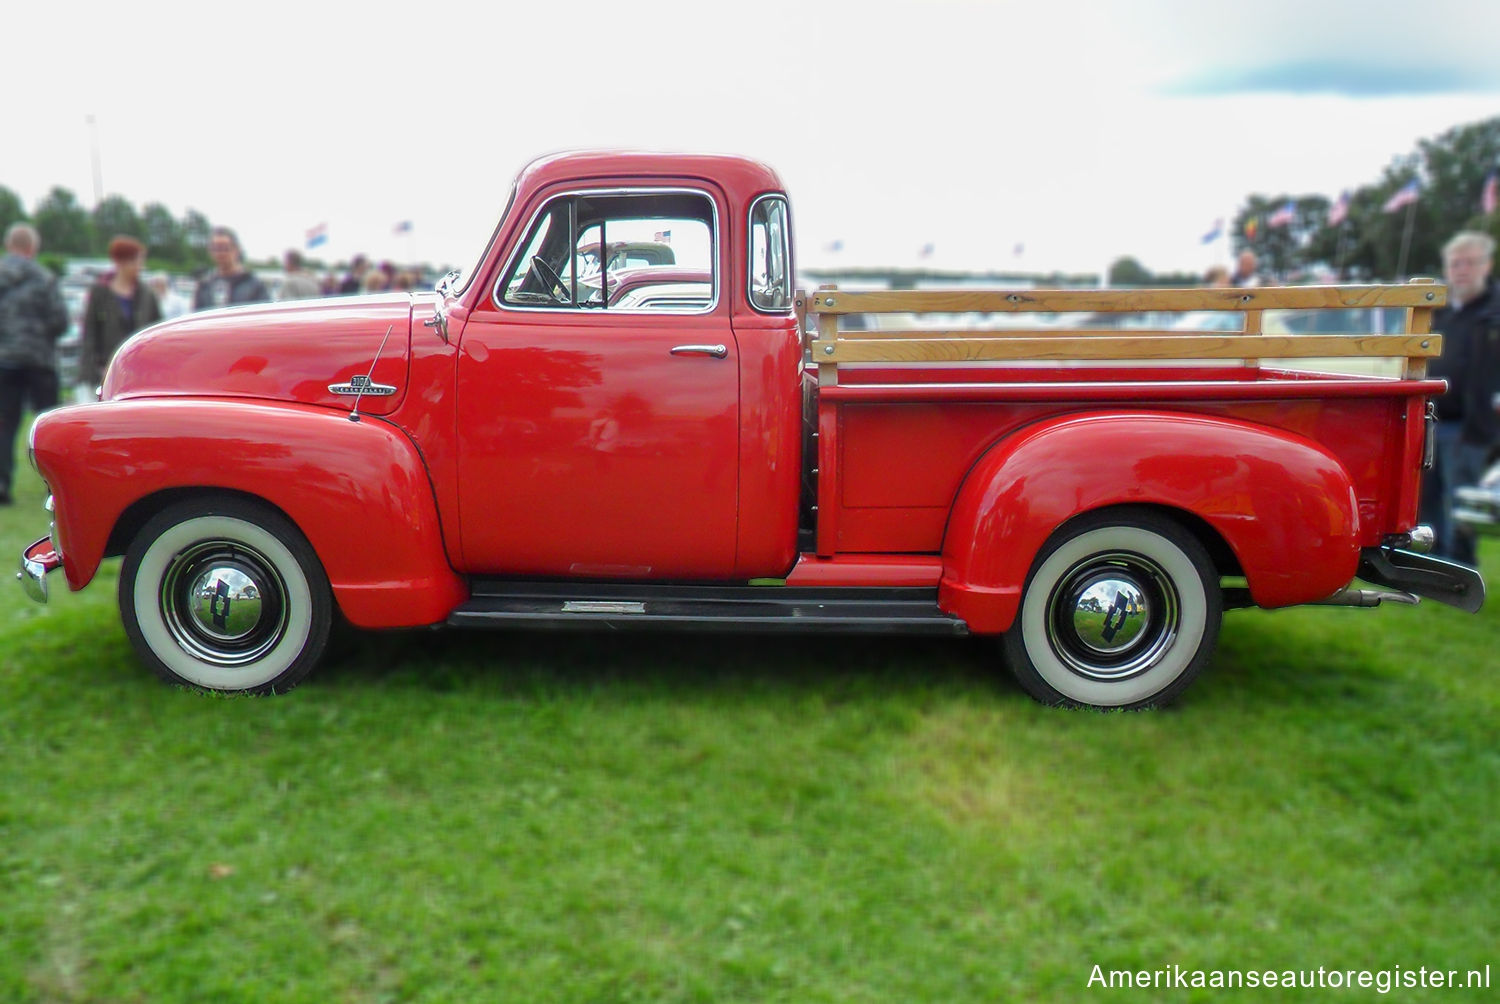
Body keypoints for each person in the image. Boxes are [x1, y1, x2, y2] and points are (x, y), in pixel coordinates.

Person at [1422, 231, 1500, 567]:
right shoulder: (1439, 313)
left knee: (1461, 500)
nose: (1462, 270)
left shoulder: (1494, 314)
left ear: (1488, 265)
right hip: (1431, 421)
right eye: (1455, 264)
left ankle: (1460, 571)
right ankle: (1430, 565)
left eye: (1470, 263)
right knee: (1428, 499)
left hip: (1472, 426)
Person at [0, 223, 68, 505]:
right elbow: (60, 321)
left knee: (4, 425)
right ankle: (54, 487)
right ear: (33, 248)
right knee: (48, 426)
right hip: (40, 360)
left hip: (4, 360)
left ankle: (2, 484)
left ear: (8, 246)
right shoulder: (45, 278)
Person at [80, 236, 162, 396]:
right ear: (123, 262)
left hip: (141, 374)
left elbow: (157, 334)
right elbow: (89, 334)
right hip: (105, 371)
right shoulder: (99, 293)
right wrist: (89, 372)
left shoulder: (147, 295)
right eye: (138, 261)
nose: (141, 266)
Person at [193, 226, 269, 310]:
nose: (220, 253)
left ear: (237, 250)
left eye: (225, 248)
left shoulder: (254, 285)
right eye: (216, 248)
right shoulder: (205, 287)